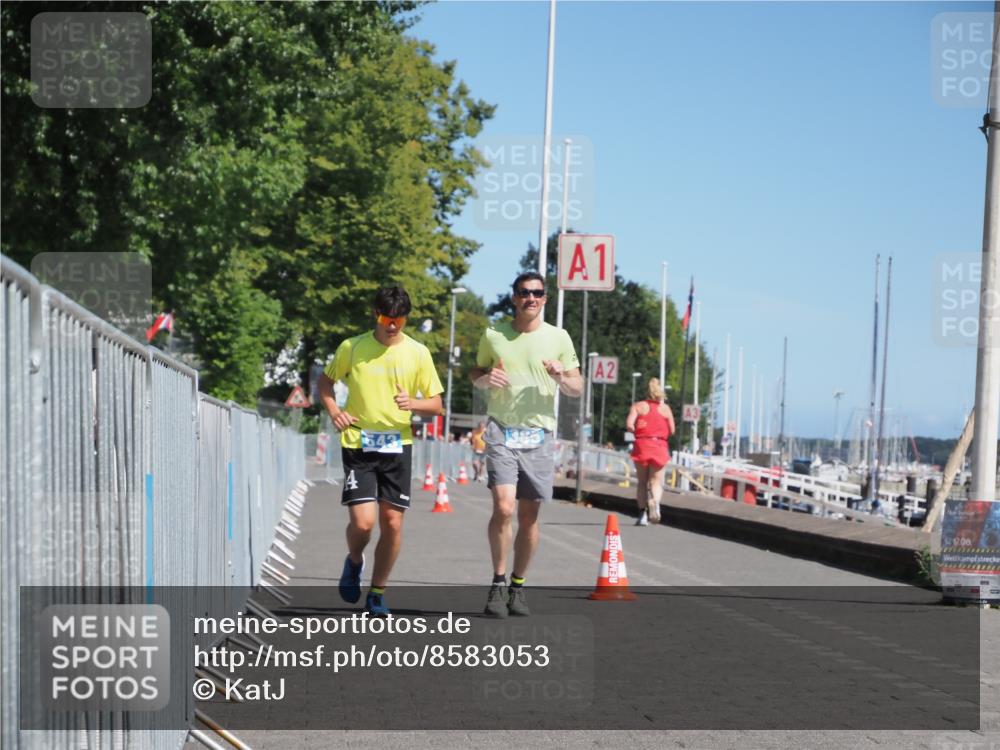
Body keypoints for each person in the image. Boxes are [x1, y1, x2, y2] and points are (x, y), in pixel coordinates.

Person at [318, 287, 443, 616]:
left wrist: (412, 403)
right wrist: (335, 412)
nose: (393, 326)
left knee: (392, 523)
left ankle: (377, 592)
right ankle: (354, 560)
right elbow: (325, 383)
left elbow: (436, 405)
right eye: (388, 319)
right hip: (358, 442)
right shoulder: (352, 347)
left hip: (397, 445)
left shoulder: (418, 353)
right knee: (363, 524)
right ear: (376, 314)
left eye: (399, 320)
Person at [470, 271, 583, 618]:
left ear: (544, 299)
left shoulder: (559, 337)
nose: (530, 298)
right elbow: (475, 373)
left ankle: (518, 586)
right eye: (523, 292)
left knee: (529, 517)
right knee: (504, 508)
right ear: (514, 297)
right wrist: (486, 378)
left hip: (539, 435)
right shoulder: (494, 334)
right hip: (502, 430)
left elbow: (577, 387)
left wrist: (560, 376)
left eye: (536, 293)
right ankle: (498, 582)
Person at [625, 378, 675, 526]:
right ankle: (655, 502)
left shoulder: (638, 406)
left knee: (642, 482)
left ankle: (642, 515)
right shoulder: (666, 409)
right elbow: (672, 430)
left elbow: (629, 424)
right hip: (659, 445)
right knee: (656, 481)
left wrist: (635, 428)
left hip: (642, 445)